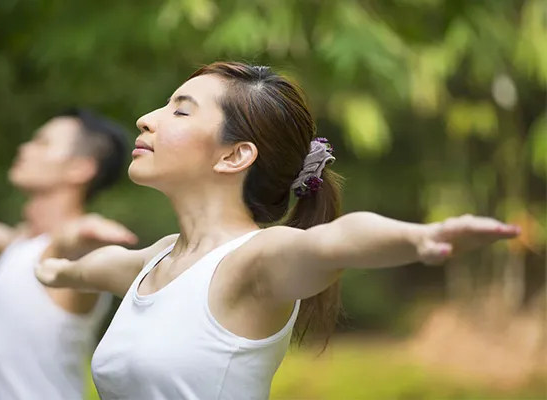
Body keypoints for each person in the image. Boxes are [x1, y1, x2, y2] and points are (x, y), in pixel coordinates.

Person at [35, 62, 521, 400]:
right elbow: (94, 269)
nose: (146, 119)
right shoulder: (159, 259)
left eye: (180, 110)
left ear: (234, 156)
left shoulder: (254, 260)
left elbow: (335, 242)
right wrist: (54, 269)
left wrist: (420, 237)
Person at [0, 108, 137, 400]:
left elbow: (72, 243)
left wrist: (87, 232)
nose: (24, 148)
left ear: (80, 168)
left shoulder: (69, 256)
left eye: (42, 142)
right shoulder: (19, 245)